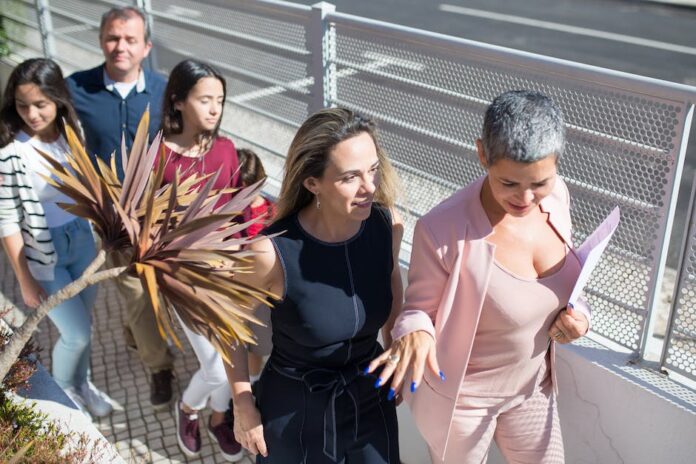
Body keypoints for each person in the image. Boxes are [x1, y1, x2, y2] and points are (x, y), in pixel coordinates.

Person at [369, 90, 592, 463]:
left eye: (540, 182)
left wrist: (580, 317)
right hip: (463, 402)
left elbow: (569, 282)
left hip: (532, 388)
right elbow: (417, 311)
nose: (526, 198)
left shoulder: (558, 198)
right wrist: (416, 332)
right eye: (509, 183)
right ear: (482, 154)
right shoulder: (441, 229)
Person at [226, 108, 404, 463]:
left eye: (373, 170)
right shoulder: (270, 252)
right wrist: (243, 401)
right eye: (350, 177)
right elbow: (226, 324)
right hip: (294, 411)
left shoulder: (387, 225)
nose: (370, 187)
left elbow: (392, 281)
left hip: (369, 398)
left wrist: (394, 348)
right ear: (312, 183)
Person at [65, 6, 174, 410]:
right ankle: (160, 367)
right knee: (138, 294)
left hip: (160, 214)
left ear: (146, 46)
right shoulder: (76, 88)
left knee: (154, 291)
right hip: (111, 221)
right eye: (113, 37)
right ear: (100, 41)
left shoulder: (166, 91)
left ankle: (135, 335)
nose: (120, 47)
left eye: (130, 39)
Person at [0, 58, 113, 420]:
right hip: (43, 254)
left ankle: (83, 383)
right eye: (22, 105)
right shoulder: (9, 150)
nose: (31, 114)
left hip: (81, 241)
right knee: (76, 333)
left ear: (58, 100)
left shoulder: (71, 130)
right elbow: (5, 220)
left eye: (40, 104)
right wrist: (24, 279)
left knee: (85, 324)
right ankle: (66, 391)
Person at [159, 59, 243, 462]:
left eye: (220, 101)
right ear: (177, 102)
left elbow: (238, 212)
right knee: (214, 368)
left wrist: (245, 262)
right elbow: (147, 230)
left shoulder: (227, 151)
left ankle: (218, 417)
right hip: (182, 279)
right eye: (204, 99)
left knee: (232, 356)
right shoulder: (158, 156)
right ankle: (188, 409)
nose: (215, 109)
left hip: (229, 275)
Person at [237, 148, 275, 387]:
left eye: (253, 188)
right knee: (244, 347)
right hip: (237, 290)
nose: (248, 195)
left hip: (263, 294)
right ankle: (248, 388)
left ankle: (254, 385)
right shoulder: (228, 213)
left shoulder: (272, 212)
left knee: (259, 345)